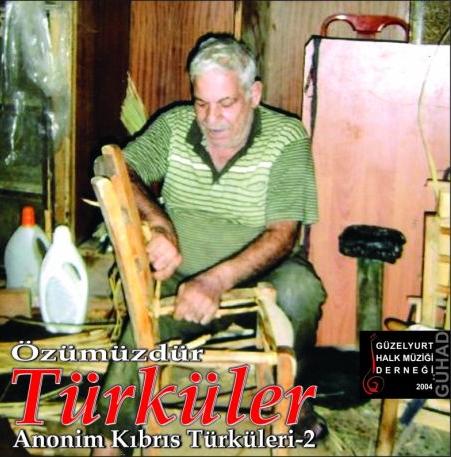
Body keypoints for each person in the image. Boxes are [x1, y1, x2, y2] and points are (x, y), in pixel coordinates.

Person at [91, 33, 327, 456]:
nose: (212, 118)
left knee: (302, 290)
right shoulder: (175, 126)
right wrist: (159, 224)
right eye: (201, 103)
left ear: (254, 94)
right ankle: (112, 439)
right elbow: (113, 166)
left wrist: (215, 281)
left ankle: (295, 400)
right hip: (183, 278)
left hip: (262, 276)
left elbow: (283, 234)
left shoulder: (286, 138)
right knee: (141, 325)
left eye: (226, 103)